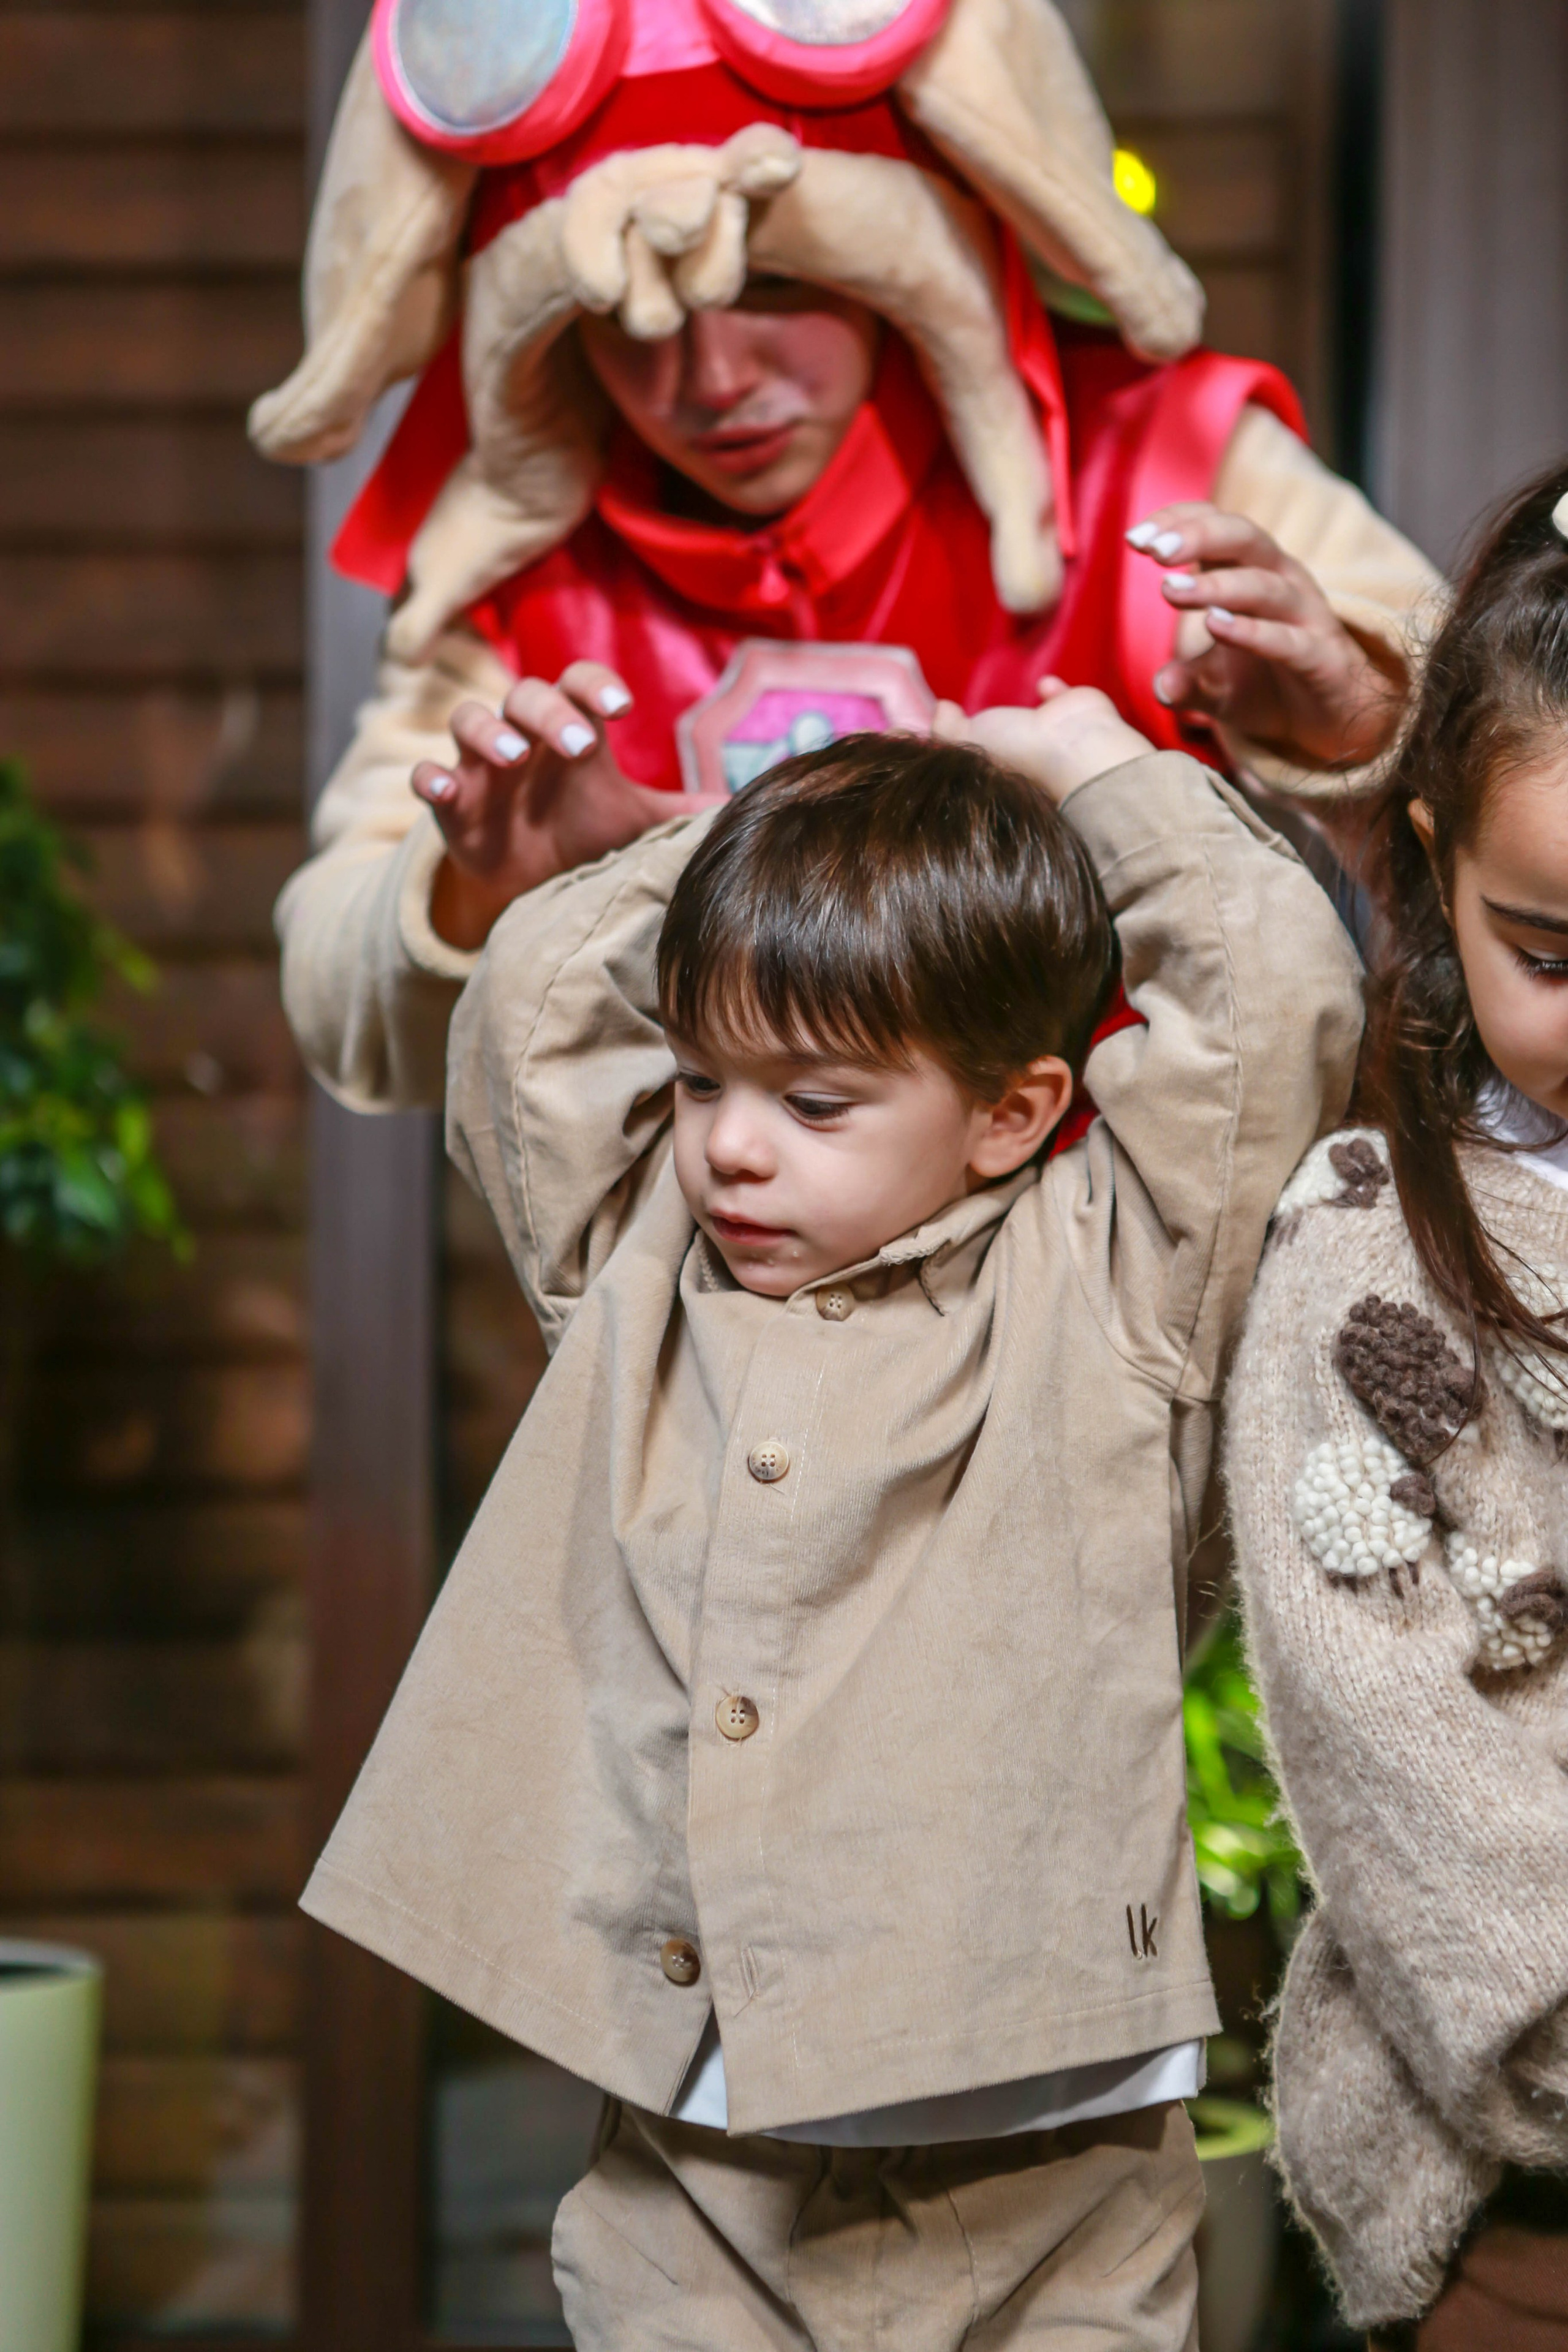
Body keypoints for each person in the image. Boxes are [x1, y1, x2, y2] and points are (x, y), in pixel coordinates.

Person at [298, 680, 1362, 2350]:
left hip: (1048, 2149)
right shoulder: (640, 1264)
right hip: (699, 2150)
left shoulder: (1119, 1283)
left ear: (1012, 1111)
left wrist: (1088, 773)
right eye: (706, 1079)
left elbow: (1271, 985)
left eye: (815, 1105)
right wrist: (725, 824)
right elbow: (528, 1011)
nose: (729, 1148)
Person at [255, 0, 1438, 1106]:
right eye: (628, 318)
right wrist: (477, 888)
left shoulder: (1162, 464)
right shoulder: (510, 568)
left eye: (776, 284)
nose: (712, 383)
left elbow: (1521, 811)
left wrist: (1360, 728)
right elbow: (341, 1014)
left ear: (913, 272)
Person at [1224, 462, 1568, 2349]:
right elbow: (1392, 1744)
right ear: (1433, 853)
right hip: (1518, 2185)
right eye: (1554, 952)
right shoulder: (1367, 1254)